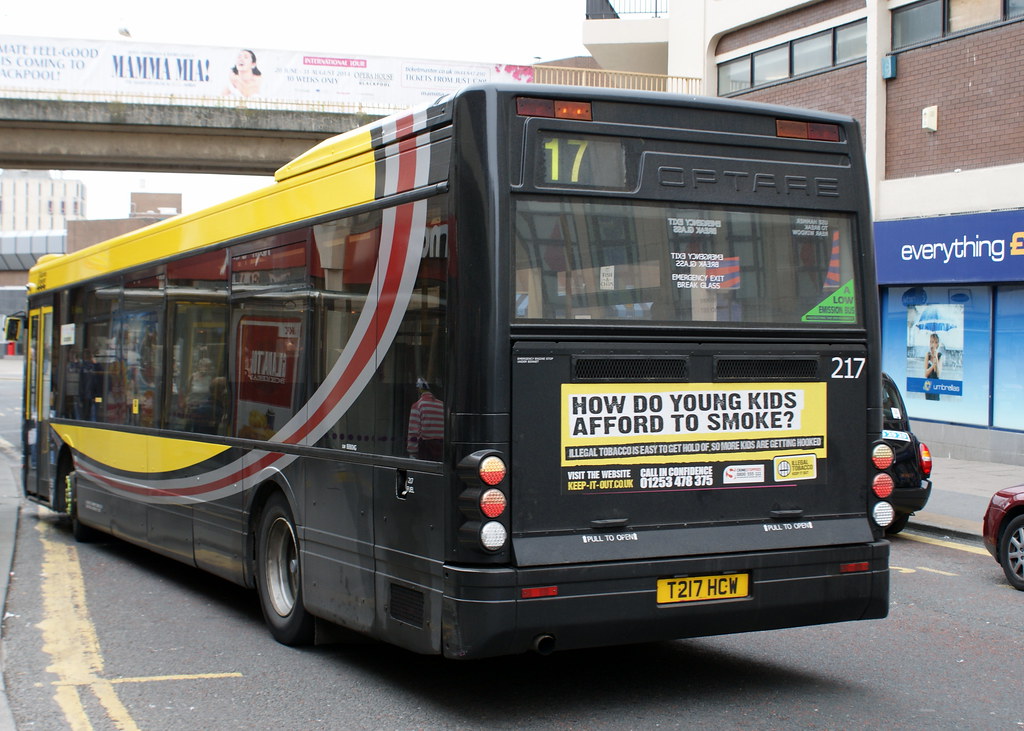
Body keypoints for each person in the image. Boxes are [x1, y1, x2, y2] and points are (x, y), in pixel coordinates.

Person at [407, 378, 443, 460]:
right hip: (441, 448)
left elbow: (413, 432)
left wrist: (412, 452)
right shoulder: (442, 405)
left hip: (426, 449)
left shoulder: (418, 405)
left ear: (419, 390)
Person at [924, 332, 942, 400]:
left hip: (936, 384)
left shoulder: (940, 356)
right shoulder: (927, 355)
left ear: (937, 344)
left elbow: (938, 373)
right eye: (931, 342)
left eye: (935, 342)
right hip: (927, 384)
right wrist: (932, 366)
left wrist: (936, 357)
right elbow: (925, 374)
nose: (933, 344)